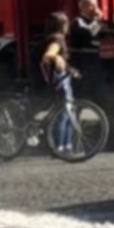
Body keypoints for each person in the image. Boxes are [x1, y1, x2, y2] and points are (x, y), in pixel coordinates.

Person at [40, 12, 80, 153]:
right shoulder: (57, 39)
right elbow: (49, 55)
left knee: (67, 113)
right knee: (64, 113)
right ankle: (60, 147)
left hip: (62, 78)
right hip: (60, 80)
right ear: (62, 25)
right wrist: (55, 57)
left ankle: (66, 146)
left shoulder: (53, 38)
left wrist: (70, 69)